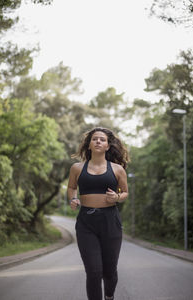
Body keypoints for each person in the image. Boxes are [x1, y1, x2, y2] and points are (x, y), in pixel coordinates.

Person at [67, 127, 129, 300]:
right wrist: (73, 199)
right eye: (95, 139)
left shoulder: (117, 169)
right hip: (86, 223)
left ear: (108, 146)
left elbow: (125, 193)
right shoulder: (77, 168)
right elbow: (72, 187)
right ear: (89, 144)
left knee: (109, 271)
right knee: (94, 272)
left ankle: (109, 295)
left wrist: (116, 197)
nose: (98, 141)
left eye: (102, 139)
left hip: (110, 221)